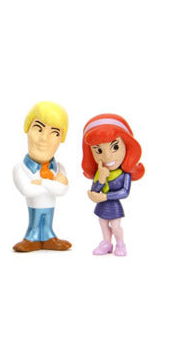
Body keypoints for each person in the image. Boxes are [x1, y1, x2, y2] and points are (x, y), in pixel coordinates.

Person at [82, 114, 144, 256]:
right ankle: (106, 243)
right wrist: (101, 179)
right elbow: (94, 190)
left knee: (116, 226)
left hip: (114, 205)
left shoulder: (124, 174)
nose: (107, 156)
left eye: (115, 147)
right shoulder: (100, 172)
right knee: (103, 224)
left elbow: (124, 192)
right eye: (99, 150)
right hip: (102, 206)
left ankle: (120, 244)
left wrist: (105, 197)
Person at [12, 101, 71, 252]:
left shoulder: (59, 168)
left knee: (47, 220)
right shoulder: (20, 168)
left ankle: (48, 236)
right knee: (36, 220)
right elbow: (28, 190)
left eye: (54, 133)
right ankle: (31, 237)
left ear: (61, 138)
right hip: (34, 207)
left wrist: (41, 183)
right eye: (38, 129)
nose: (44, 138)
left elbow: (62, 191)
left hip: (50, 206)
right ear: (27, 129)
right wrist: (53, 184)